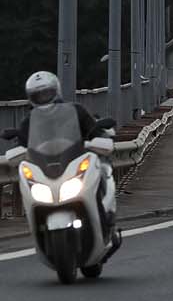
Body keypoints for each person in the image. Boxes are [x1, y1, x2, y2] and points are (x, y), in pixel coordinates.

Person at [12, 72, 118, 243]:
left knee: (99, 175)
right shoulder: (29, 121)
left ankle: (105, 218)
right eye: (38, 95)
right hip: (47, 168)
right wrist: (16, 148)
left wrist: (98, 138)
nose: (43, 97)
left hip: (74, 162)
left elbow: (94, 131)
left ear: (56, 91)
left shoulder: (75, 110)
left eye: (46, 93)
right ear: (31, 97)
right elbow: (22, 144)